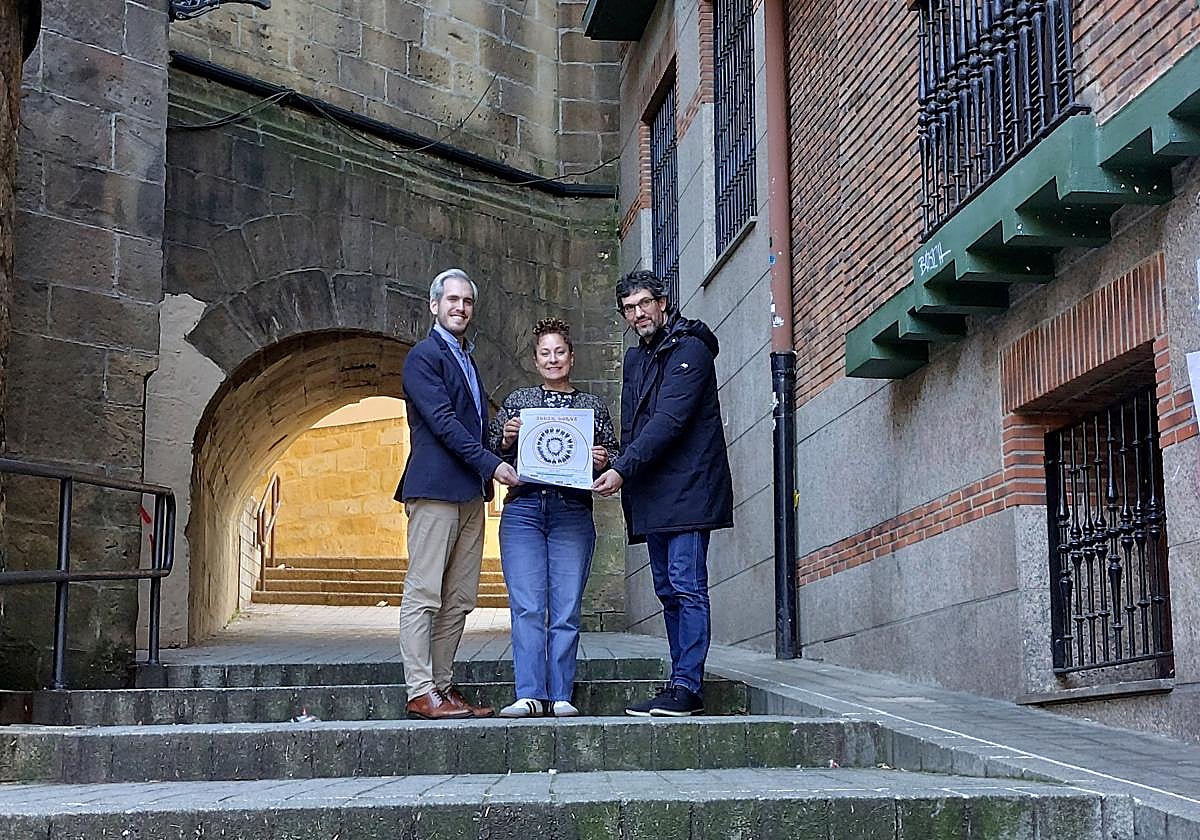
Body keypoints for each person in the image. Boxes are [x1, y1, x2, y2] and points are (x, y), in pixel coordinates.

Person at [593, 269, 733, 717]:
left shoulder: (690, 349)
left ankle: (688, 687)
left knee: (687, 586)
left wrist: (621, 469)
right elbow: (635, 426)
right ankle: (678, 681)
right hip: (653, 492)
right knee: (668, 590)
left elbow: (669, 421)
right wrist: (610, 457)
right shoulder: (637, 359)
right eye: (629, 309)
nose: (637, 314)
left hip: (689, 491)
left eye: (644, 304)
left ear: (663, 301)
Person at [394, 267, 520, 720]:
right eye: (452, 300)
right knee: (425, 593)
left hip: (469, 493)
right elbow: (444, 423)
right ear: (434, 305)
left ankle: (442, 689)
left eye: (467, 302)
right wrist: (493, 463)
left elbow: (471, 427)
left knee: (461, 598)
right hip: (434, 491)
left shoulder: (467, 360)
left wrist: (500, 440)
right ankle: (419, 689)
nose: (460, 308)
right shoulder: (423, 358)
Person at [487, 317, 620, 718]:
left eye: (559, 351)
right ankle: (529, 692)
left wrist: (604, 458)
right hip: (524, 510)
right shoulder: (518, 402)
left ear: (572, 356)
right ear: (535, 359)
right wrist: (506, 439)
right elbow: (491, 449)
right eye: (545, 353)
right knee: (526, 605)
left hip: (572, 511)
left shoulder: (591, 406)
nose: (553, 359)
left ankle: (560, 692)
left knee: (565, 607)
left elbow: (613, 452)